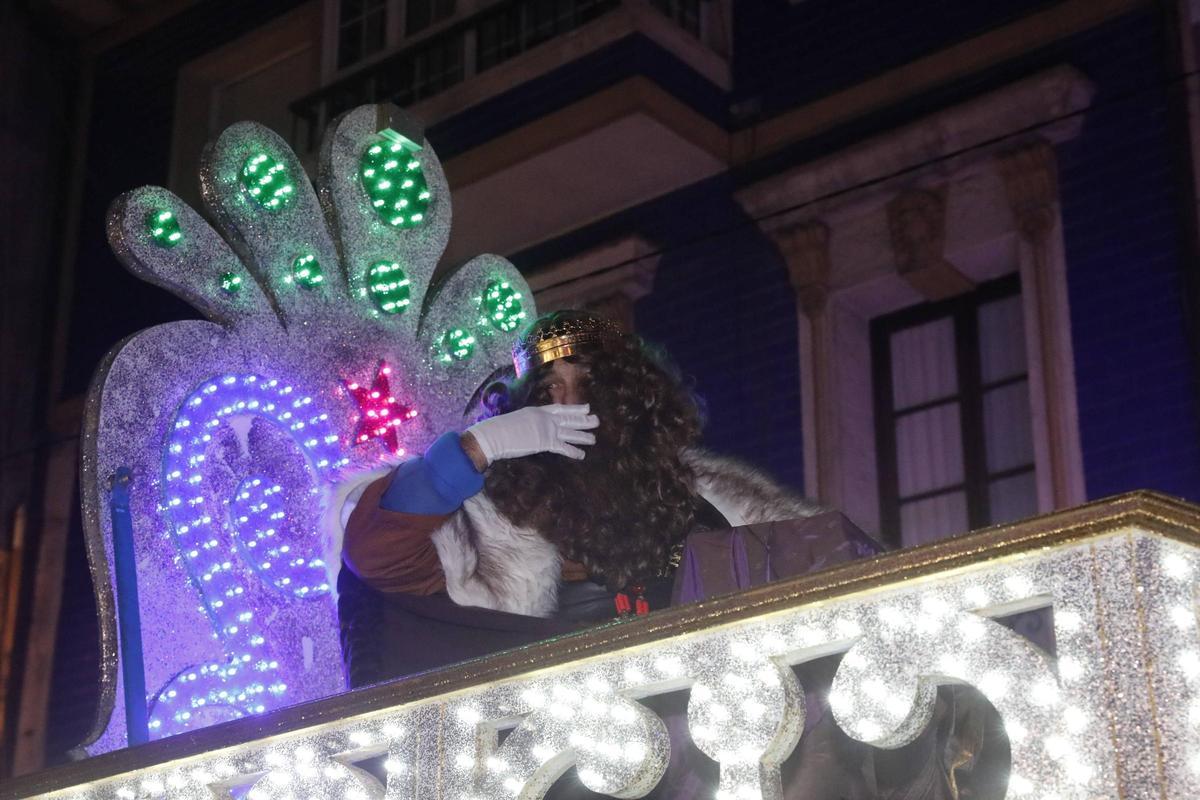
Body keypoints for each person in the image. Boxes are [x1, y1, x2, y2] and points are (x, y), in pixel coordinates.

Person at [331, 309, 823, 686]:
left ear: (628, 398)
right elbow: (377, 554)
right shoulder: (488, 519)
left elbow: (822, 575)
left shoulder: (710, 501)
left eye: (588, 385)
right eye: (548, 390)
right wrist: (479, 447)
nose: (567, 405)